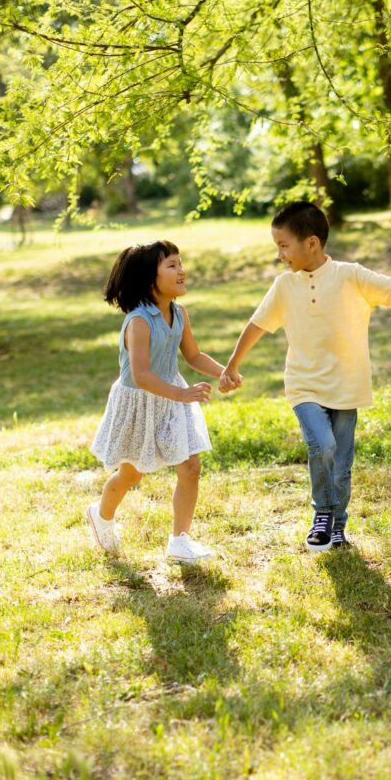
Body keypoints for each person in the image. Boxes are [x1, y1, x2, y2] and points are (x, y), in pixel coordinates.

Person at [218, 201, 391, 551]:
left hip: (347, 382)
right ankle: (322, 514)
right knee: (321, 445)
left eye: (284, 246)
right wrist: (232, 364)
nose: (280, 254)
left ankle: (338, 526)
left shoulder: (349, 275)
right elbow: (257, 325)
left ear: (311, 243)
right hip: (304, 383)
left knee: (341, 463)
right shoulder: (284, 285)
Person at [88, 241, 224, 563]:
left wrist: (225, 372)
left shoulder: (179, 313)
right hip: (139, 402)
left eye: (180, 263)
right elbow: (140, 376)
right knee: (132, 474)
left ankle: (180, 541)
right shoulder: (138, 321)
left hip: (173, 396)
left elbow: (193, 355)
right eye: (172, 265)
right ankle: (101, 514)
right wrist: (182, 394)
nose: (181, 270)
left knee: (190, 467)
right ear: (151, 280)